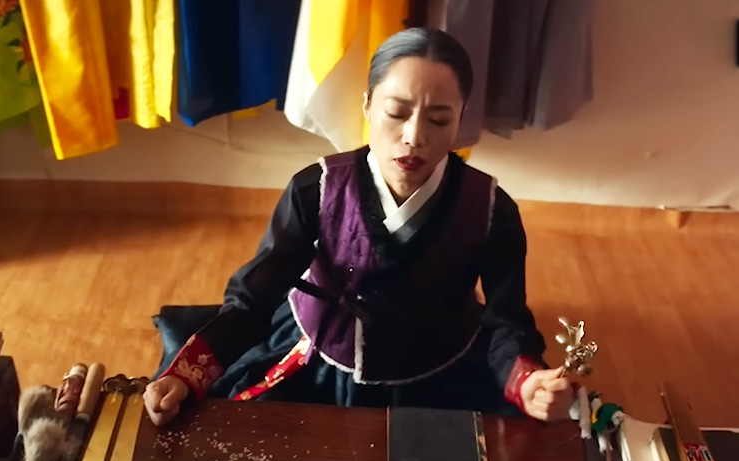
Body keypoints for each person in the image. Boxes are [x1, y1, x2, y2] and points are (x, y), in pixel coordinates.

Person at [144, 27, 575, 426]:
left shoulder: (491, 209)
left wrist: (527, 381)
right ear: (367, 105)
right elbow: (254, 299)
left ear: (461, 117)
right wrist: (186, 376)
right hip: (320, 357)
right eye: (396, 113)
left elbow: (506, 319)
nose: (414, 136)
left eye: (439, 119)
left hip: (441, 364)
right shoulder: (316, 189)